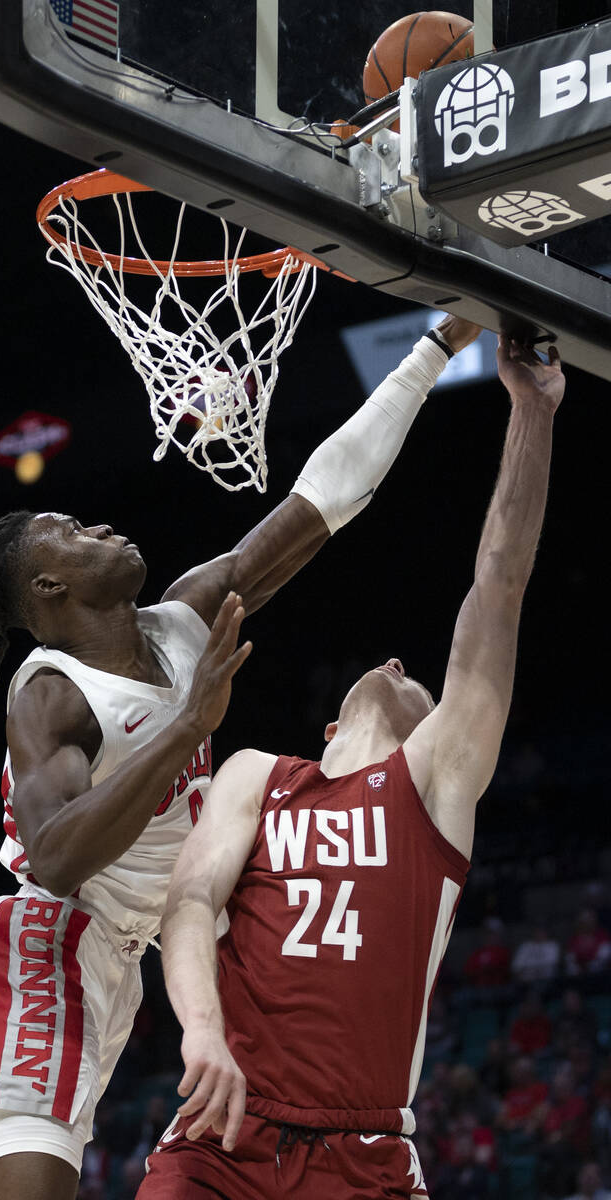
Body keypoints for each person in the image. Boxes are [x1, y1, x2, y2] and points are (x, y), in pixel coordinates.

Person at [0, 316, 479, 1200]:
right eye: (73, 531)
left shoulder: (185, 620)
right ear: (51, 588)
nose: (102, 526)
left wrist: (429, 355)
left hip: (123, 967)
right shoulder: (56, 692)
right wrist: (187, 729)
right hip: (47, 947)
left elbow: (322, 502)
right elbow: (55, 857)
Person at [139, 335, 564, 1199]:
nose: (402, 666)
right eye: (393, 668)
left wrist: (531, 412)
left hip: (364, 1152)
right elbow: (187, 904)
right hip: (225, 1133)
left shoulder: (435, 781)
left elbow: (500, 585)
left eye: (420, 678)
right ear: (330, 726)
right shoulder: (260, 773)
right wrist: (201, 1033)